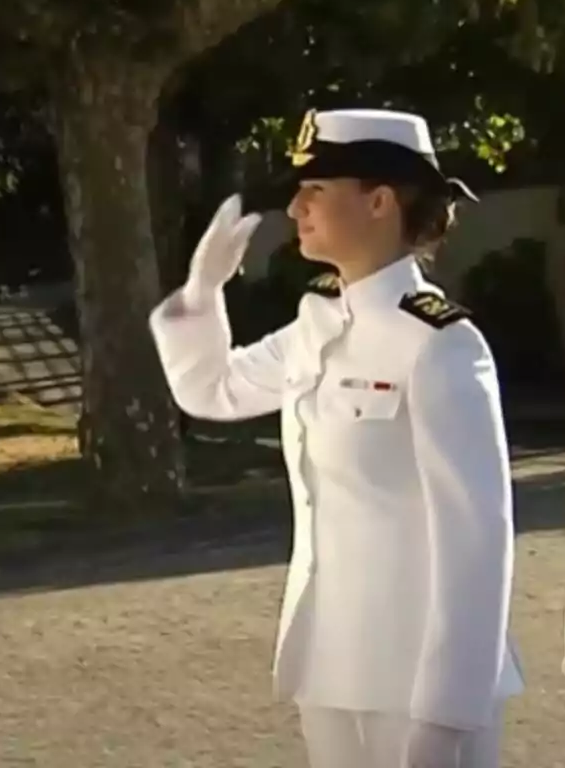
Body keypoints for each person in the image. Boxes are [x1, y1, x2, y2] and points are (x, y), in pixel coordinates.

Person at [149, 108, 523, 767]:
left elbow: (477, 542)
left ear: (379, 201)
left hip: (417, 680)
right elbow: (212, 391)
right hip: (332, 661)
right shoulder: (319, 320)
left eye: (316, 189)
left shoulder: (439, 345)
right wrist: (202, 295)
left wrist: (447, 713)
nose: (295, 208)